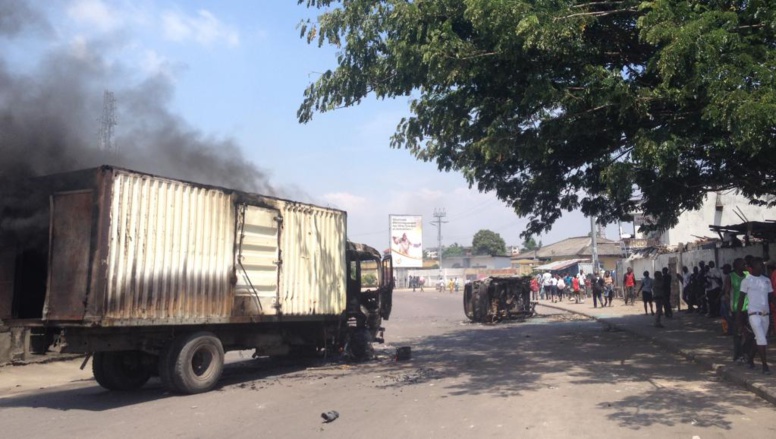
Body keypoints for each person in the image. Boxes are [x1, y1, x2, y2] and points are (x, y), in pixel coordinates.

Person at [737, 258, 772, 374]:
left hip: (765, 314)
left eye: (762, 265)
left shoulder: (766, 280)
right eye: (758, 265)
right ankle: (765, 366)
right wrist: (739, 317)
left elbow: (771, 297)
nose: (761, 267)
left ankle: (750, 359)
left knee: (759, 339)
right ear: (752, 268)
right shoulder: (746, 281)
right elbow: (741, 299)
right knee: (762, 339)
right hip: (753, 314)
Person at [730, 258, 749, 363]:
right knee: (738, 333)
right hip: (737, 308)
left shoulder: (748, 275)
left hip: (748, 307)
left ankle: (744, 351)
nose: (745, 266)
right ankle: (738, 355)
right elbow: (727, 292)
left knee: (750, 333)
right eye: (743, 264)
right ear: (736, 266)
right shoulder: (731, 277)